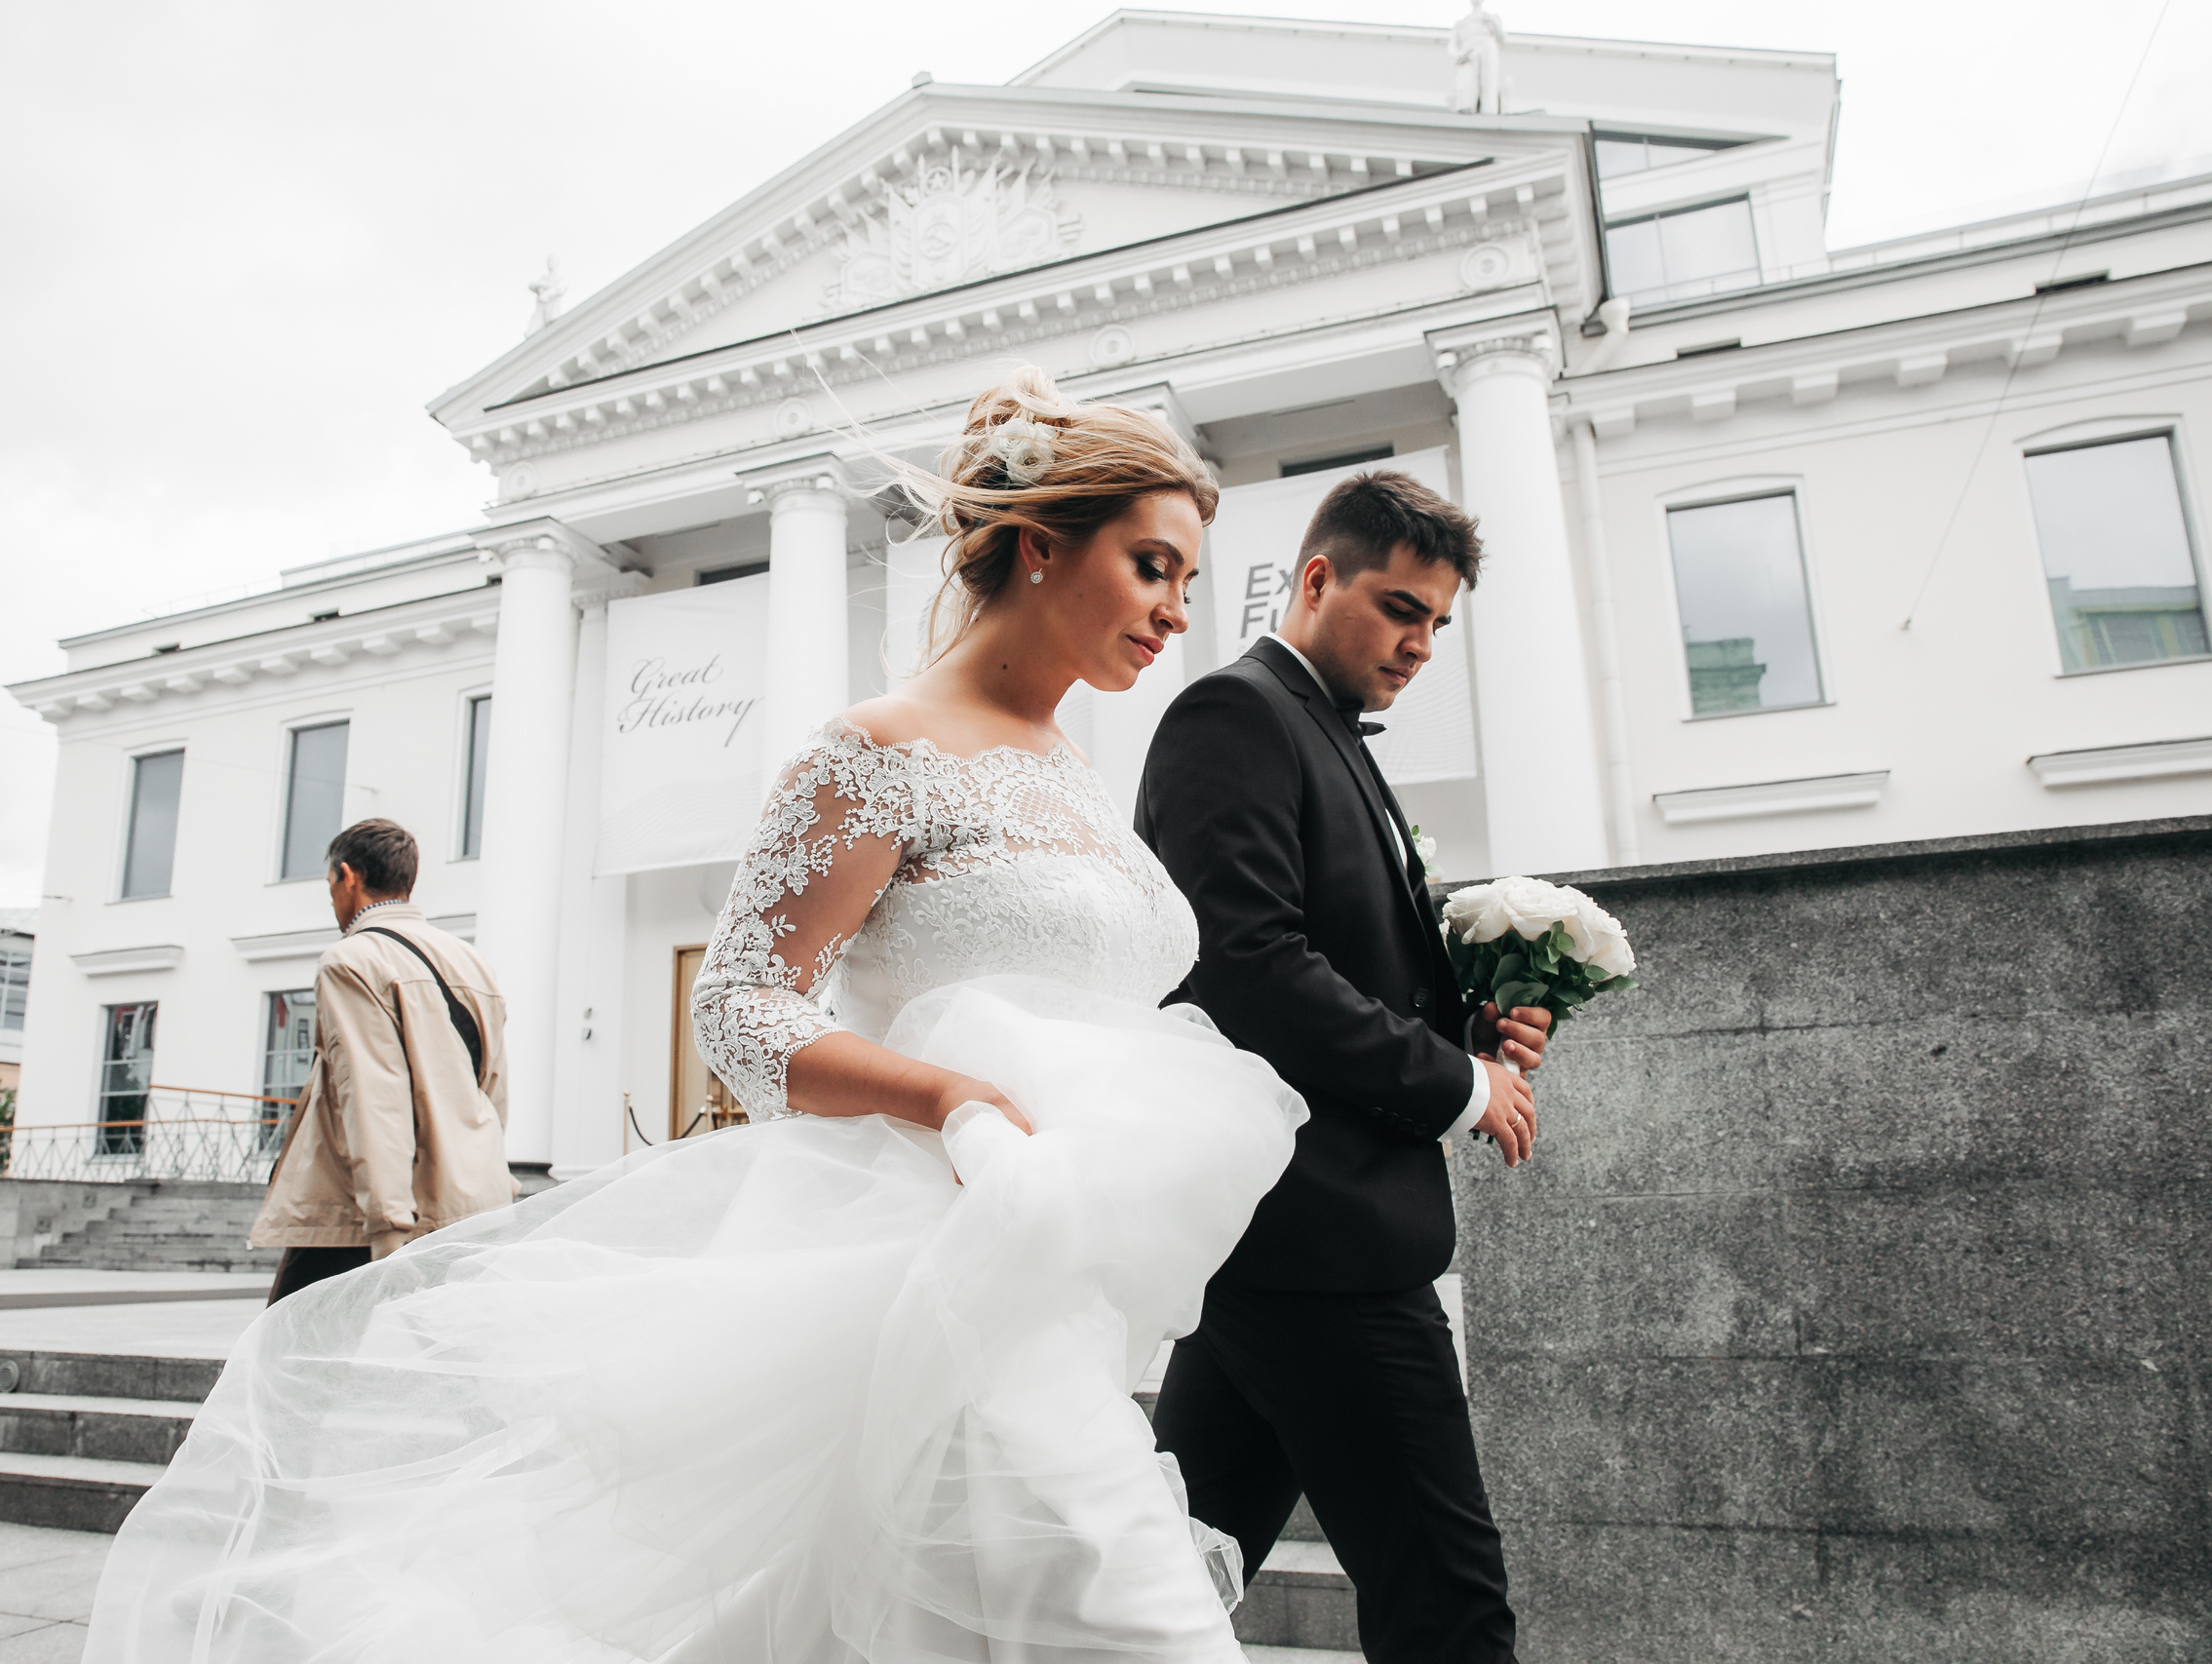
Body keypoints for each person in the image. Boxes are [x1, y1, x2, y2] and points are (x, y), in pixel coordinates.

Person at [81, 368, 1307, 1664]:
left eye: (1187, 578)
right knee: (1141, 1622)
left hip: (1064, 1288)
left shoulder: (1073, 769)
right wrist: (940, 1094)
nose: (1181, 610)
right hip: (932, 1262)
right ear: (1043, 544)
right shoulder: (878, 751)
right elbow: (736, 1004)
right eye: (1155, 566)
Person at [1138, 469, 1553, 1663]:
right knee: (1448, 1601)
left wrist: (1465, 1033)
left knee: (1156, 1583)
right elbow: (1250, 967)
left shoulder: (1326, 728)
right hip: (1323, 1246)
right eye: (1398, 608)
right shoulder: (1235, 715)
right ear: (1315, 579)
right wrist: (1460, 1086)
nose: (1419, 643)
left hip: (1272, 1243)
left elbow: (1335, 967)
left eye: (1436, 623)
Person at [247, 817, 517, 1305]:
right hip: (471, 1194)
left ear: (347, 876)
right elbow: (491, 1088)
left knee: (287, 1358)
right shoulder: (470, 960)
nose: (331, 898)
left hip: (375, 1211)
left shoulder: (350, 961)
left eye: (330, 884)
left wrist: (388, 1226)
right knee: (444, 1360)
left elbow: (374, 1095)